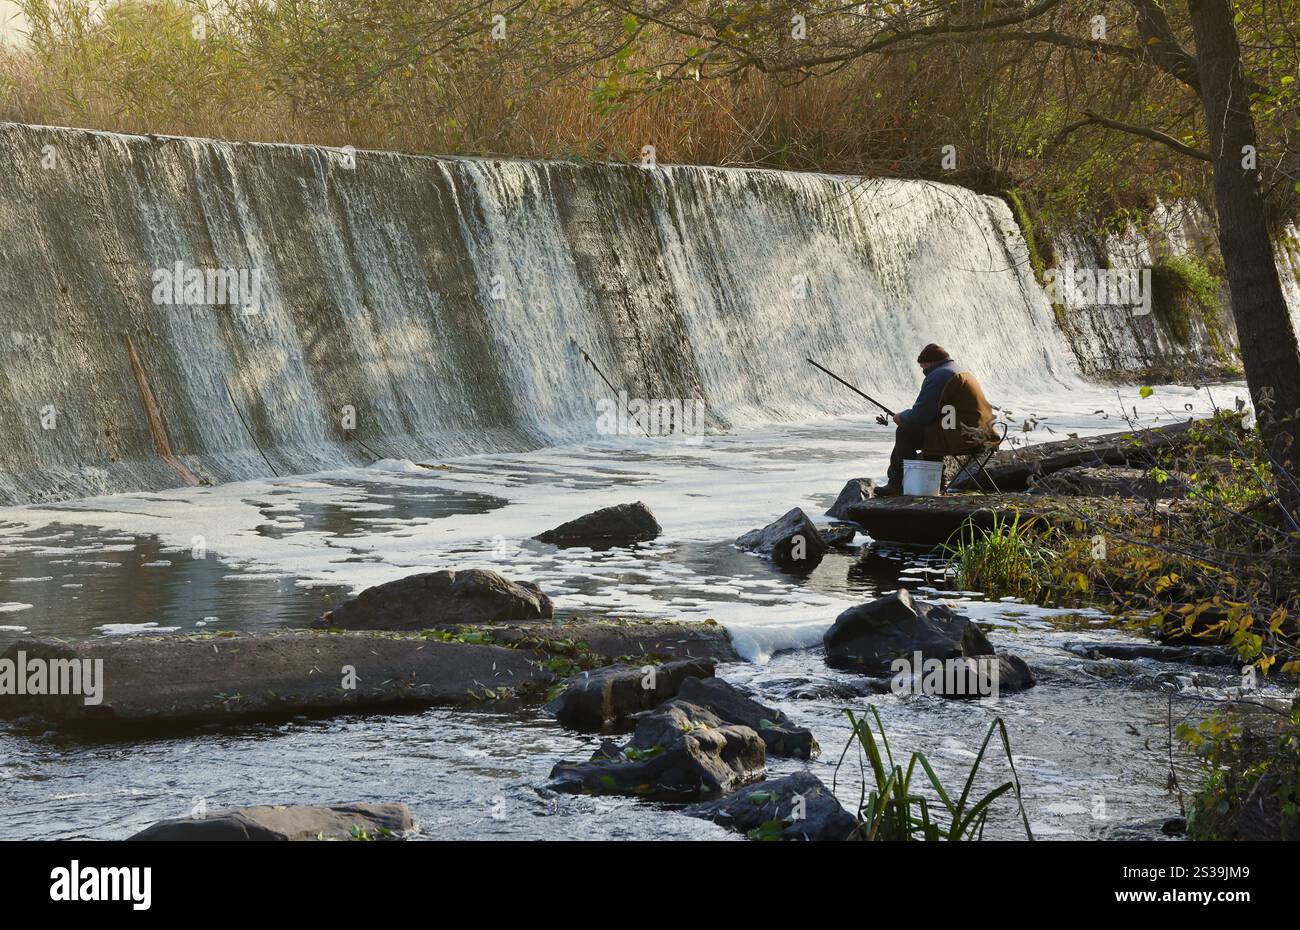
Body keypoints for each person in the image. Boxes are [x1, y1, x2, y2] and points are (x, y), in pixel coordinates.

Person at [875, 344, 960, 496]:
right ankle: (938, 481)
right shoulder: (954, 370)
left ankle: (896, 483)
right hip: (965, 432)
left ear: (931, 362)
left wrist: (902, 417)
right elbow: (932, 412)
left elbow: (922, 414)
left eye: (923, 366)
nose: (923, 371)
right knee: (932, 430)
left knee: (905, 431)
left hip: (953, 436)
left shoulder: (938, 376)